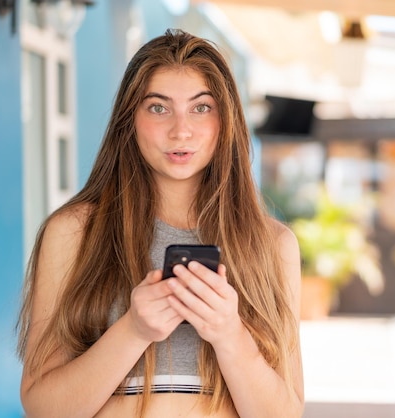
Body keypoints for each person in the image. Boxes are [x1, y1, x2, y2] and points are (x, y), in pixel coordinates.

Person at [16, 28, 304, 418]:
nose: (180, 130)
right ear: (128, 119)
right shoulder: (73, 233)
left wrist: (228, 334)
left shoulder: (272, 245)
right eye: (158, 107)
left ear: (227, 120)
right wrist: (133, 330)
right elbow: (43, 407)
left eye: (201, 107)